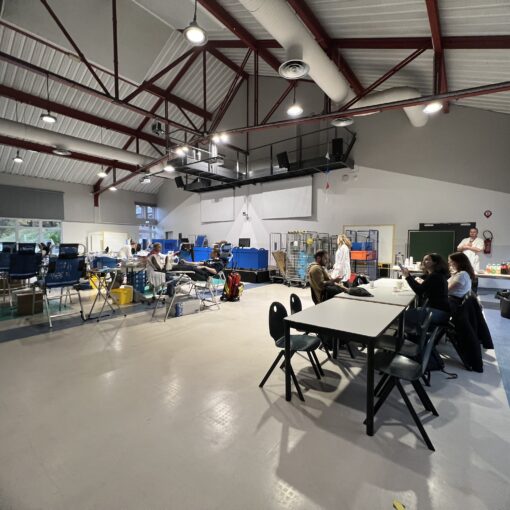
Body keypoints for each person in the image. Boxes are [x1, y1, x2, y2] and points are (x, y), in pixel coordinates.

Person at [401, 253, 450, 326]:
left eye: (427, 260)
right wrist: (409, 276)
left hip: (437, 312)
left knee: (402, 316)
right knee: (407, 314)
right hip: (440, 310)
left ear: (435, 262)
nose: (423, 261)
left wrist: (407, 276)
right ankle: (412, 330)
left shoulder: (435, 276)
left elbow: (419, 291)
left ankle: (411, 332)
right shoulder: (435, 274)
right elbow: (421, 287)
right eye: (423, 260)